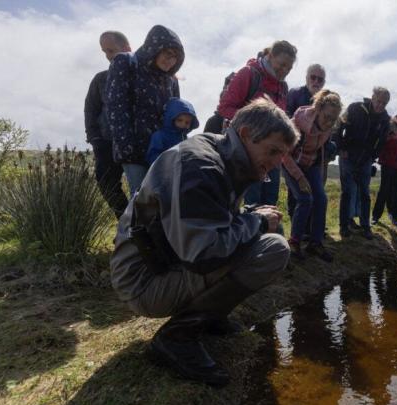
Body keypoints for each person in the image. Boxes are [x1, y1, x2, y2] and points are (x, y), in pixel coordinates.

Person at [110, 99, 297, 386]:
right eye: (272, 151)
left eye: (281, 156)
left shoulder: (225, 157)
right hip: (143, 282)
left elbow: (212, 223)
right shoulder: (200, 164)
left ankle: (209, 315)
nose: (275, 164)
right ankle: (177, 337)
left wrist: (250, 217)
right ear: (246, 134)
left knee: (266, 232)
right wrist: (256, 222)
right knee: (273, 249)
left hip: (166, 264)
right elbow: (204, 254)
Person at [217, 40, 297, 207]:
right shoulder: (249, 74)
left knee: (270, 200)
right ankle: (249, 231)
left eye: (288, 68)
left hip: (273, 151)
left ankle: (266, 231)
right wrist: (256, 125)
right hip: (248, 150)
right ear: (270, 56)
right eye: (281, 65)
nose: (284, 71)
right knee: (251, 200)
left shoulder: (283, 87)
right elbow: (224, 107)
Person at [106, 25, 184, 196]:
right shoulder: (125, 62)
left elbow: (174, 114)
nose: (171, 61)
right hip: (134, 149)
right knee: (143, 200)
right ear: (154, 49)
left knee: (165, 200)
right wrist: (126, 147)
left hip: (162, 150)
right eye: (167, 54)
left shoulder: (171, 79)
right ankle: (131, 223)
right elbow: (116, 106)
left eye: (175, 57)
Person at [282, 90, 342, 262]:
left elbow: (321, 150)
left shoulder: (328, 127)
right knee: (305, 199)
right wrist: (299, 178)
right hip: (291, 162)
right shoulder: (299, 122)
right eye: (327, 116)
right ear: (318, 109)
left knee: (321, 200)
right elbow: (284, 154)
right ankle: (294, 242)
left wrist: (319, 173)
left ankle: (315, 243)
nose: (329, 122)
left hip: (312, 164)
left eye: (333, 119)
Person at [84, 31, 131, 218]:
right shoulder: (100, 79)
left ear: (127, 48)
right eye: (104, 51)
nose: (108, 56)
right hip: (106, 143)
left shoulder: (142, 75)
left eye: (111, 50)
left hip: (138, 142)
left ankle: (147, 233)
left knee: (145, 187)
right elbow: (90, 109)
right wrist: (95, 138)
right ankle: (128, 225)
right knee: (106, 184)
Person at [337, 87, 391, 239]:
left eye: (384, 103)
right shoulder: (355, 108)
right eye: (379, 101)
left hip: (366, 159)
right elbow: (339, 126)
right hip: (347, 156)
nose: (380, 105)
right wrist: (341, 148)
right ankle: (344, 226)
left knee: (365, 193)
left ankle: (365, 226)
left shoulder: (385, 119)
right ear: (372, 97)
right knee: (347, 192)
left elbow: (381, 142)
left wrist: (373, 156)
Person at [285, 64, 327, 218]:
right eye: (313, 77)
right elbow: (286, 116)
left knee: (315, 190)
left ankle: (309, 225)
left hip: (316, 155)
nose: (316, 81)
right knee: (295, 190)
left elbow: (329, 123)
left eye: (320, 79)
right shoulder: (295, 93)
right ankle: (295, 221)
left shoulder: (326, 100)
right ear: (306, 77)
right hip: (293, 150)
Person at [145, 98, 199, 165]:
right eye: (180, 120)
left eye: (187, 122)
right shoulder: (159, 136)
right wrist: (168, 163)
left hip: (180, 172)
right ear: (171, 118)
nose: (183, 124)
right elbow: (152, 156)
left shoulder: (186, 139)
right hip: (162, 172)